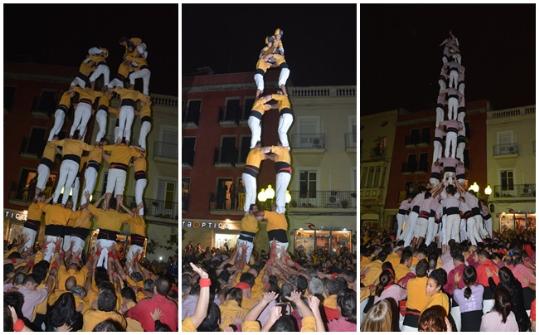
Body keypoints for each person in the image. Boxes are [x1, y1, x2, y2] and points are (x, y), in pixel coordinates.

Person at [50, 133, 94, 205]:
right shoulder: (80, 143)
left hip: (65, 161)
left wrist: (52, 140)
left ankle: (54, 201)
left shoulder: (66, 140)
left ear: (72, 135)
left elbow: (54, 142)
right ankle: (63, 203)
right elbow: (90, 148)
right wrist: (97, 146)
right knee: (68, 184)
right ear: (79, 137)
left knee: (61, 182)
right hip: (75, 163)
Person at [102, 141, 141, 210]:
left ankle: (106, 206)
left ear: (120, 142)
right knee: (120, 190)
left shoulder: (115, 146)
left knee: (109, 188)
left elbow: (103, 148)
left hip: (112, 168)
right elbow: (140, 155)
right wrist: (134, 147)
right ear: (127, 143)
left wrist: (115, 144)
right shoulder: (129, 149)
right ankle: (117, 209)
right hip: (122, 170)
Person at [453, 266, 484, 331]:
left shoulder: (457, 292)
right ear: (475, 278)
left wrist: (456, 283)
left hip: (466, 329)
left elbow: (457, 294)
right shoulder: (481, 288)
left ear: (463, 279)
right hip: (480, 328)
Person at [241, 146, 271, 212]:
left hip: (251, 175)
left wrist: (274, 157)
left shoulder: (259, 154)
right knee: (250, 192)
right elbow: (265, 150)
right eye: (259, 147)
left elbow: (266, 156)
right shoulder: (253, 151)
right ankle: (246, 210)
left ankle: (252, 207)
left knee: (254, 192)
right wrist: (274, 148)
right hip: (248, 174)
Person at [402, 259, 429, 331]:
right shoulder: (430, 284)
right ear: (427, 271)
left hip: (407, 319)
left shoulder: (410, 282)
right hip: (422, 320)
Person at [268, 145, 292, 214]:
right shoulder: (281, 155)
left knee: (280, 191)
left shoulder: (281, 149)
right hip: (285, 172)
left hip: (283, 172)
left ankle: (280, 210)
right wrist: (266, 156)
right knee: (281, 191)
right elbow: (273, 157)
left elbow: (270, 150)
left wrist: (260, 151)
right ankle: (281, 209)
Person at [80, 142, 104, 207]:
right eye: (103, 144)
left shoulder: (96, 150)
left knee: (90, 188)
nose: (103, 146)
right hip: (92, 168)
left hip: (92, 169)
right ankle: (83, 205)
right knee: (89, 188)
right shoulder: (96, 149)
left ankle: (83, 205)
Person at [132, 148, 147, 215]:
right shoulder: (135, 161)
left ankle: (141, 216)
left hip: (141, 179)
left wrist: (135, 147)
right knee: (138, 198)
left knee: (138, 198)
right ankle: (140, 214)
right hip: (141, 180)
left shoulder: (142, 156)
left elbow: (143, 150)